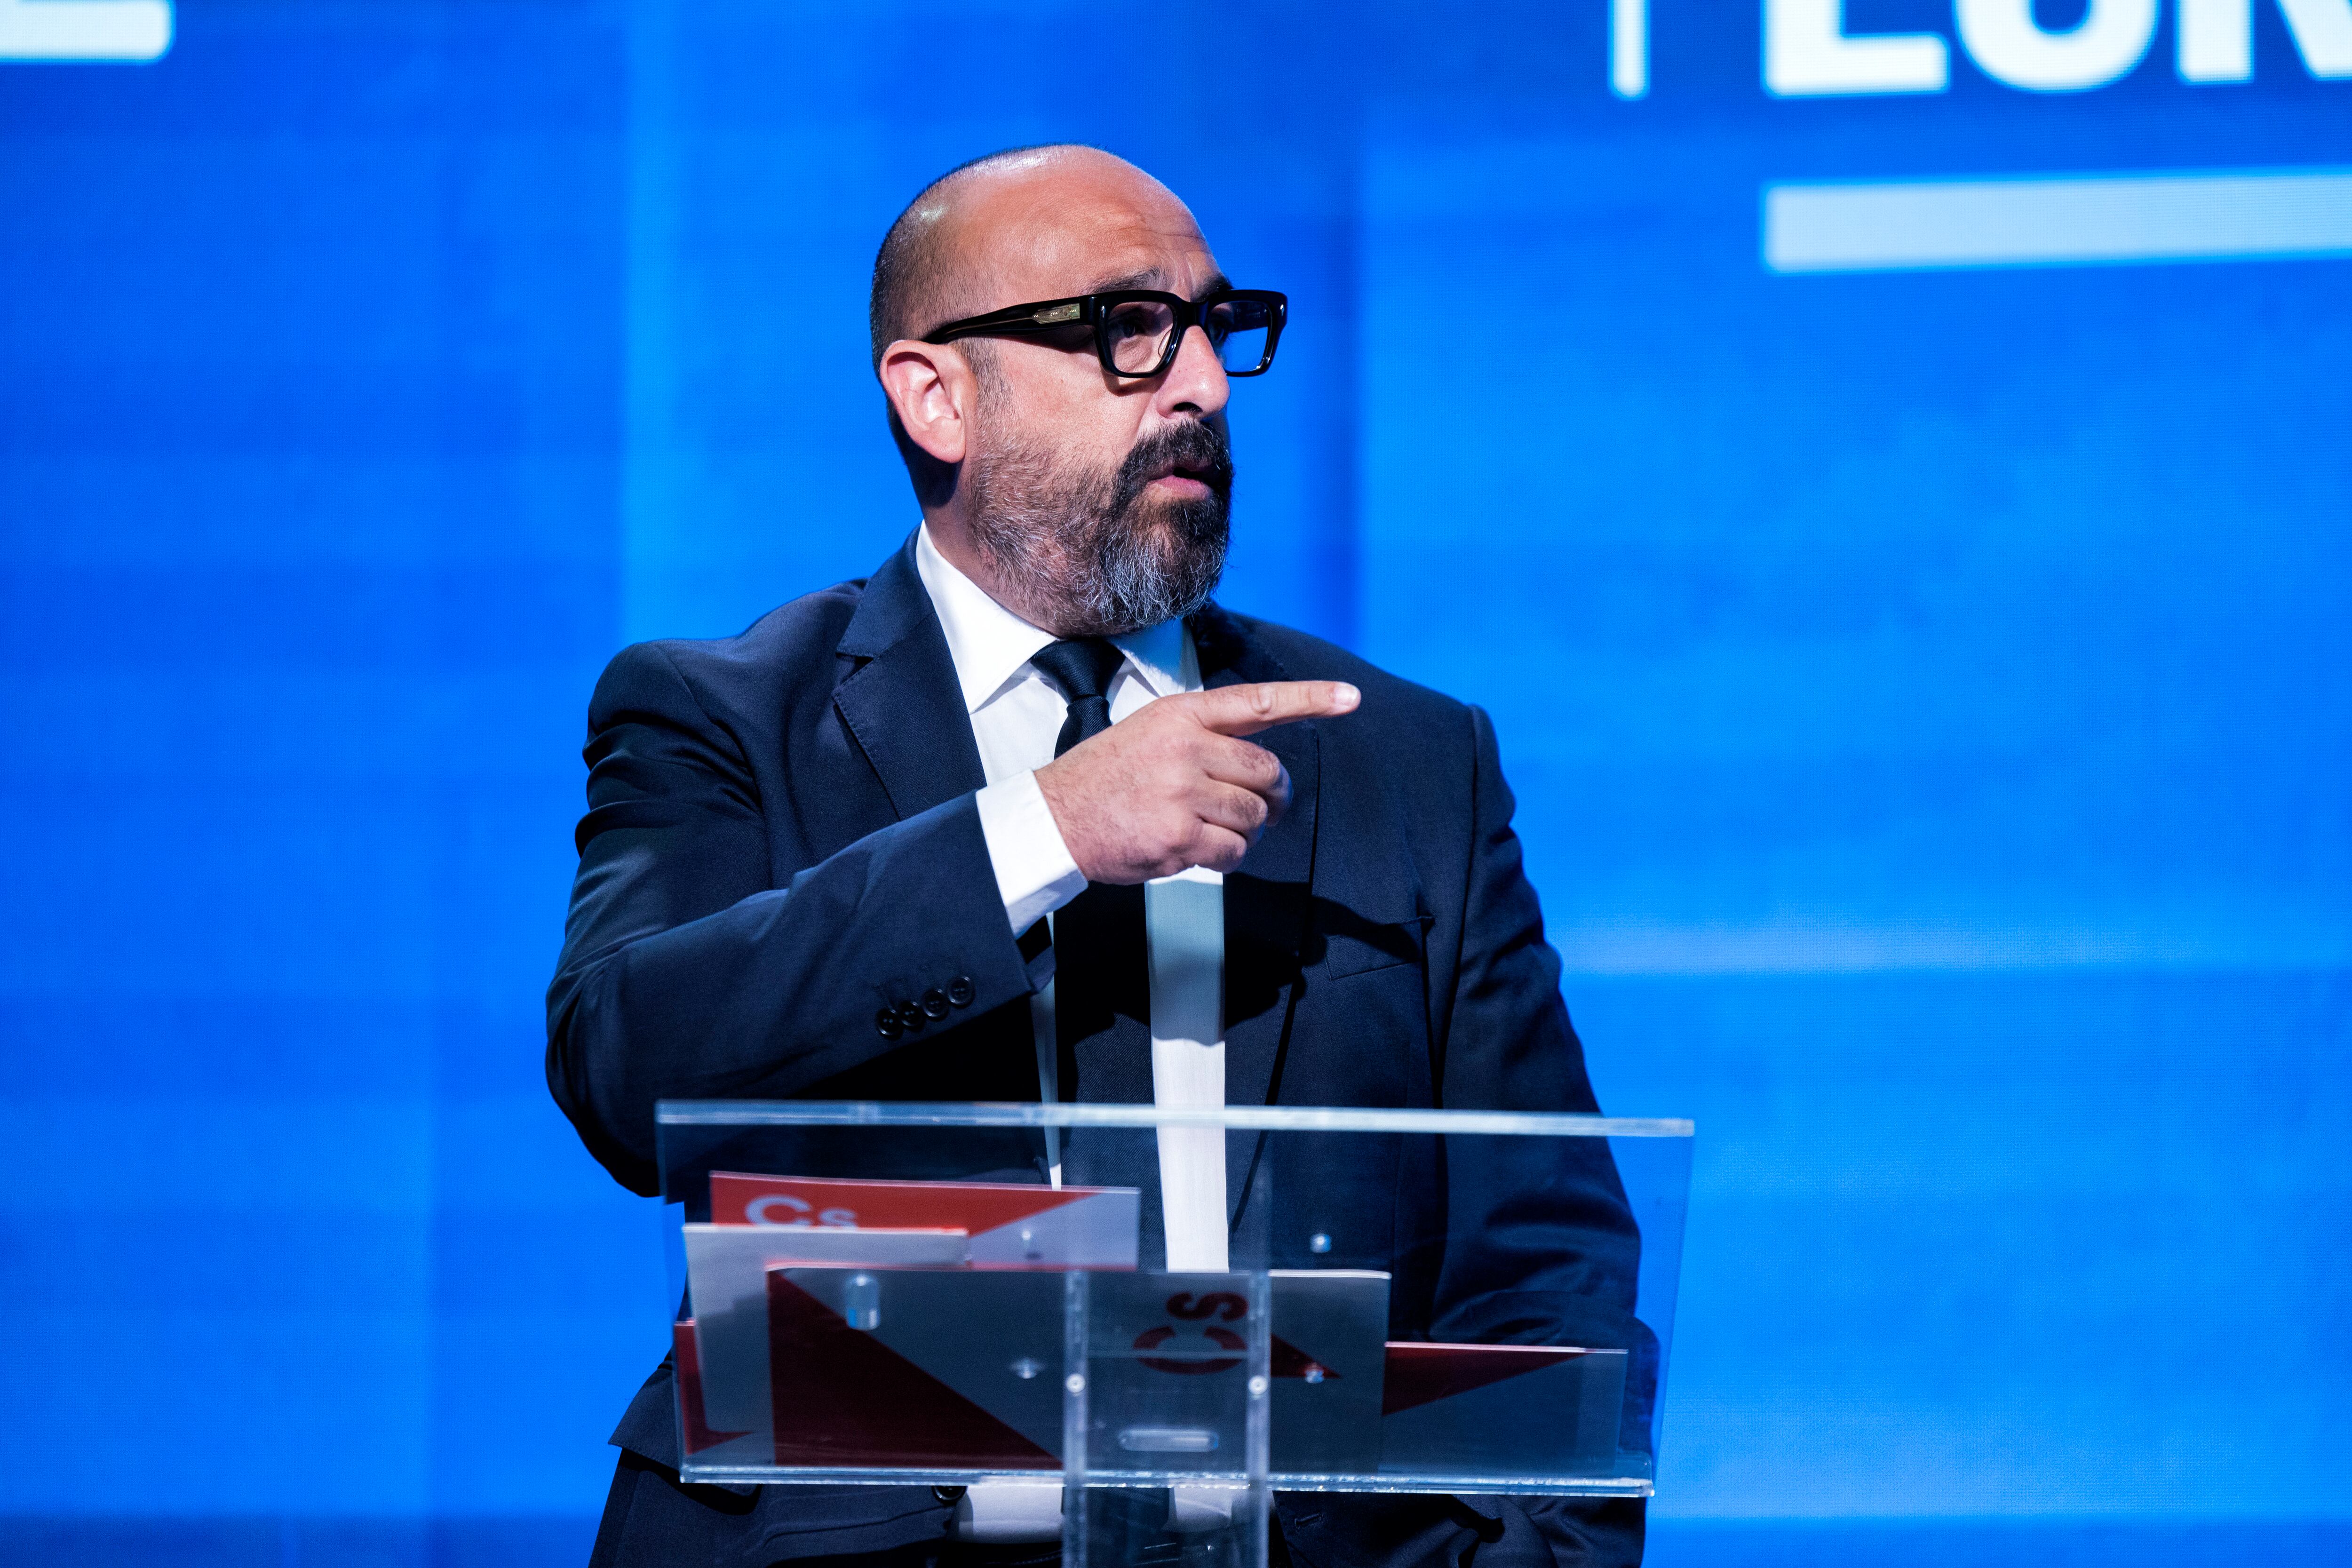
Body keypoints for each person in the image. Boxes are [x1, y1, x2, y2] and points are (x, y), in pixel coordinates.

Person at [548, 145, 1644, 1568]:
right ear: (935, 395)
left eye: (1215, 329)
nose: (1196, 386)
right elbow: (630, 1072)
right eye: (1127, 332)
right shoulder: (724, 716)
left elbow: (1543, 1245)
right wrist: (1046, 830)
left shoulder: (1402, 760)